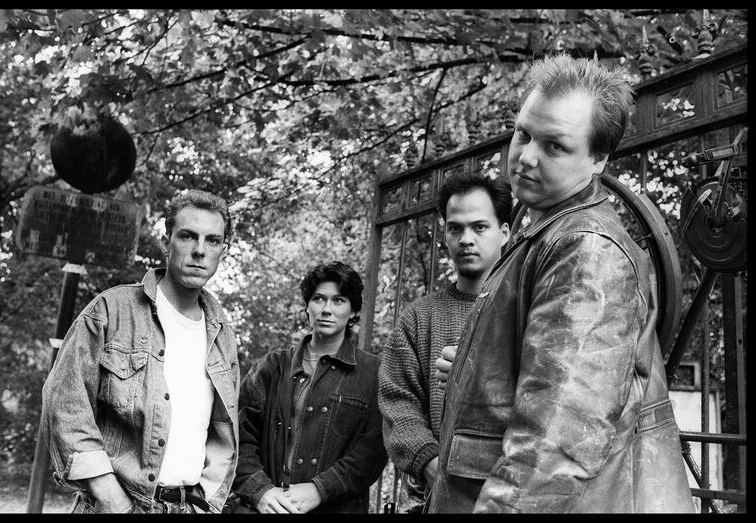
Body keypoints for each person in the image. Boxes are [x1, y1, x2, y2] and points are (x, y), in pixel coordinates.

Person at [428, 54, 695, 513]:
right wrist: (478, 370)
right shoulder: (546, 231)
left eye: (554, 146)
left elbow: (556, 443)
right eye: (523, 134)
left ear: (598, 159)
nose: (526, 157)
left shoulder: (586, 250)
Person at [40, 189, 240, 513]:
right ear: (166, 242)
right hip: (114, 505)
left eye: (212, 240)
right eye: (187, 236)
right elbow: (65, 402)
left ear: (223, 249)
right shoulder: (111, 310)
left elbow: (223, 431)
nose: (199, 251)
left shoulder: (222, 334)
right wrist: (110, 497)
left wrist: (208, 503)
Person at [378, 172, 512, 511]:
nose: (466, 238)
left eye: (479, 227)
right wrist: (429, 461)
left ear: (505, 233)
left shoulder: (528, 312)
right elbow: (397, 402)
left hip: (516, 491)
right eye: (455, 228)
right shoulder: (418, 317)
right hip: (434, 497)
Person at [233, 261, 387, 513]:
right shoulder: (272, 367)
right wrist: (260, 491)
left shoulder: (373, 373)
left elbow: (373, 451)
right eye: (318, 299)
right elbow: (239, 437)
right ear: (307, 307)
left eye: (338, 301)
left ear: (354, 311)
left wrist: (320, 489)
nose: (326, 309)